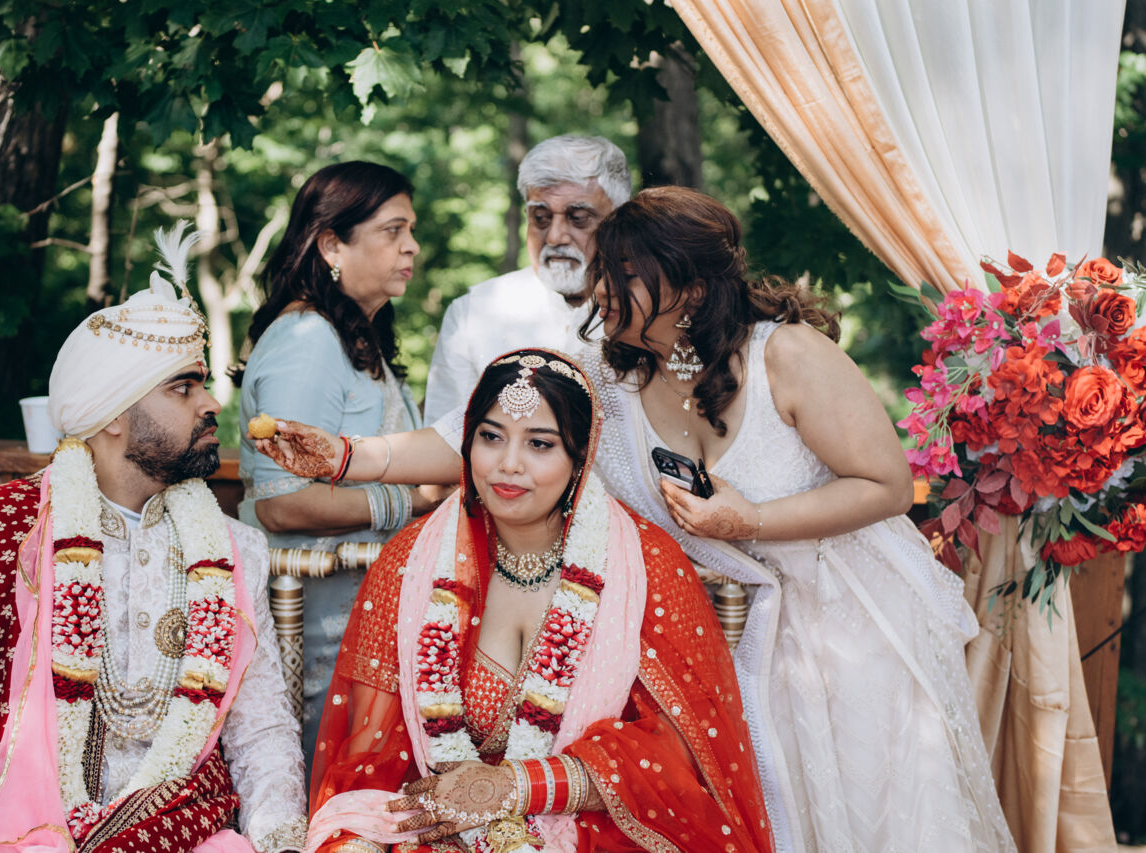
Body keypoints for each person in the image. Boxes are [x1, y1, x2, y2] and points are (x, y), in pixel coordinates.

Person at [257, 187, 1019, 852]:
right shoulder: (610, 369)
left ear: (690, 286)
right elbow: (491, 430)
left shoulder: (785, 354)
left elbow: (887, 483)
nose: (601, 290)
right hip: (718, 628)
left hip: (841, 617)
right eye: (604, 272)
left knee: (861, 813)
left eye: (624, 274)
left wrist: (751, 518)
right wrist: (348, 456)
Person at [0, 224, 306, 852]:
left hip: (185, 833)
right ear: (114, 414)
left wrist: (280, 840)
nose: (212, 403)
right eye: (184, 387)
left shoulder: (235, 551)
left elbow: (260, 731)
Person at [283, 349, 773, 853]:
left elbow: (681, 753)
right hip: (438, 824)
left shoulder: (645, 566)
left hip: (595, 828)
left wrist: (516, 787)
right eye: (490, 437)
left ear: (580, 457)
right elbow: (371, 760)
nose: (508, 465)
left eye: (540, 444)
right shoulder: (412, 564)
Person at [234, 161, 437, 766]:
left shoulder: (349, 336)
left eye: (411, 230)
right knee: (326, 772)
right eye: (393, 230)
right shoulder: (307, 341)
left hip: (359, 605)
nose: (411, 246)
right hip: (317, 618)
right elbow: (282, 503)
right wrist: (413, 500)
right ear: (331, 245)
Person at [422, 135, 631, 426]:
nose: (555, 237)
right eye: (540, 218)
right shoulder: (473, 313)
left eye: (578, 218)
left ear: (618, 220)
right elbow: (445, 439)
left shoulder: (647, 311)